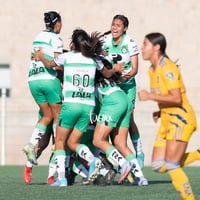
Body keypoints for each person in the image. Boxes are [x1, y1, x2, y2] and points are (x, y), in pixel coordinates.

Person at [32, 28, 125, 186]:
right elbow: (108, 74)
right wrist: (115, 68)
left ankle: (61, 178)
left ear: (73, 44)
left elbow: (49, 64)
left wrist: (40, 56)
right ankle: (93, 161)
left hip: (71, 105)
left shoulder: (66, 56)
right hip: (87, 106)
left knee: (60, 142)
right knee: (73, 142)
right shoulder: (94, 59)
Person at [138, 32, 200, 200]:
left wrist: (150, 96)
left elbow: (177, 98)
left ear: (156, 47)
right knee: (159, 165)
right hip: (167, 119)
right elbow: (168, 97)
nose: (141, 48)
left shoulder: (167, 68)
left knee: (172, 165)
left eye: (145, 44)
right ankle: (198, 154)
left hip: (181, 120)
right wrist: (161, 110)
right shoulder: (152, 69)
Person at [93, 58, 148, 185]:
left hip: (113, 102)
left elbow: (95, 110)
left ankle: (123, 164)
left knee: (98, 140)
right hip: (124, 99)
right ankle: (141, 179)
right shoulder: (109, 80)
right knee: (120, 144)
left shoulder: (95, 84)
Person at [103, 14, 145, 169]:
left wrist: (120, 80)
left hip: (127, 87)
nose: (114, 27)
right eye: (113, 24)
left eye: (118, 25)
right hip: (111, 88)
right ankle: (117, 158)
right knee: (110, 123)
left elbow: (134, 69)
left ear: (125, 28)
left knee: (129, 119)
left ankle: (139, 153)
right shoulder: (105, 41)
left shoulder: (130, 43)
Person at [22, 11, 63, 166]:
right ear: (57, 23)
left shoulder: (37, 37)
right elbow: (57, 63)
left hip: (33, 80)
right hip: (48, 80)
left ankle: (31, 145)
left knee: (46, 115)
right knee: (57, 115)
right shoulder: (56, 39)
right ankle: (58, 146)